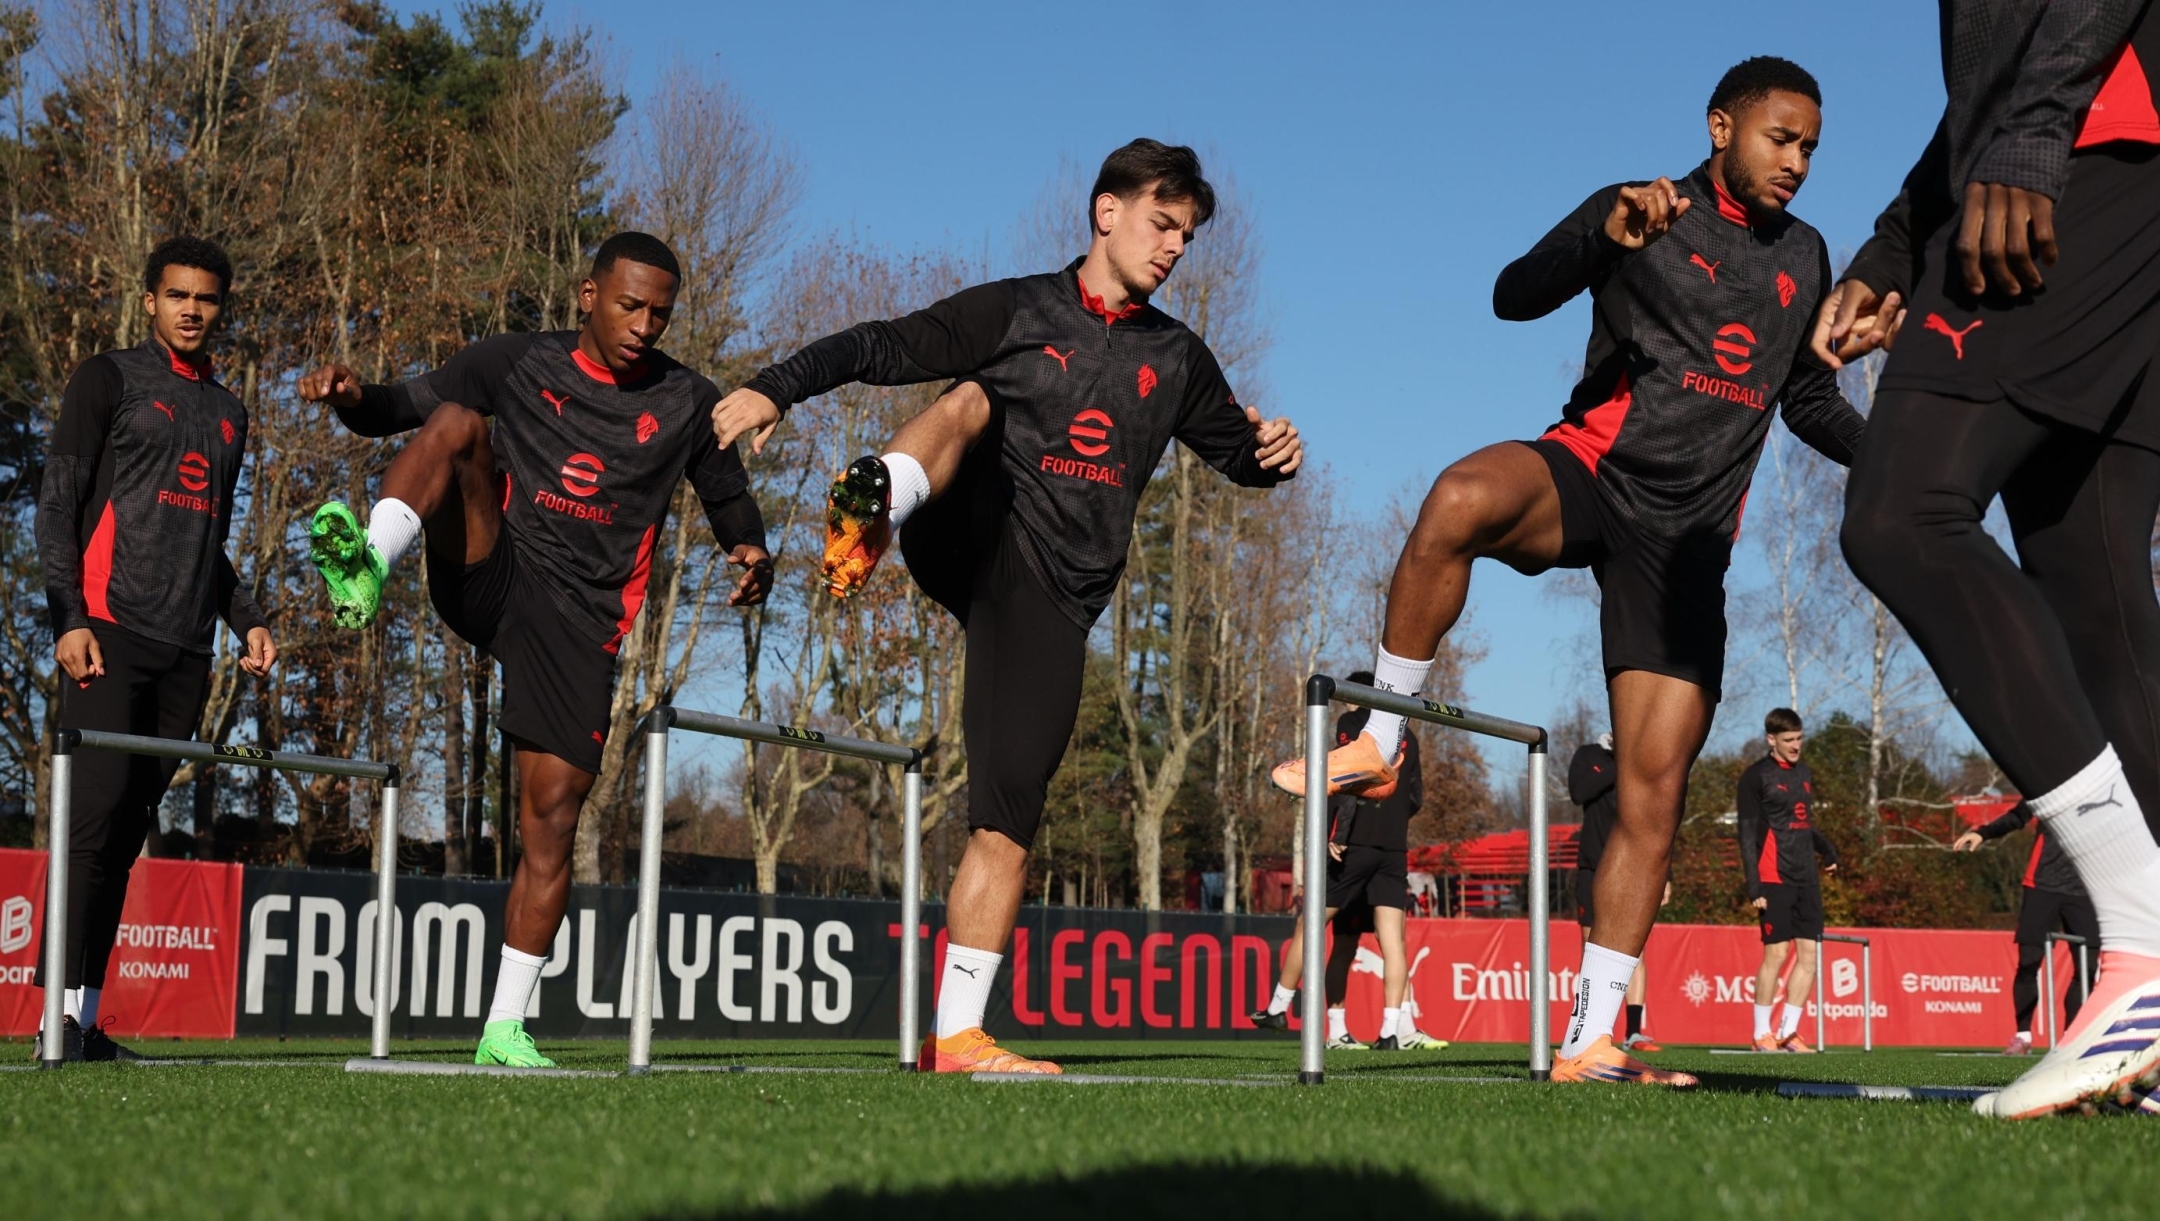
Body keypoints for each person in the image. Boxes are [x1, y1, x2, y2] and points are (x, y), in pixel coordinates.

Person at [1274, 57, 1864, 1088]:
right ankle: (1383, 734)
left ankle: (1592, 1037)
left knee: (1652, 795)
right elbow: (1513, 296)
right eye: (1781, 137)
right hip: (1592, 474)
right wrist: (1602, 237)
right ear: (1721, 125)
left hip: (1688, 545)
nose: (1798, 162)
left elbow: (1806, 402)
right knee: (1457, 499)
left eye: (1812, 145)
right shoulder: (1641, 207)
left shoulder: (1808, 257)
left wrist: (1902, 454)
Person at [708, 140, 1303, 1073]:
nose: (1175, 247)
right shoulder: (1018, 308)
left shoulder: (1177, 358)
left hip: (1052, 598)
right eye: (1161, 223)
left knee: (1008, 816)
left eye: (1186, 236)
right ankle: (879, 497)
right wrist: (772, 387)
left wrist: (1271, 453)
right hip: (967, 527)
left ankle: (956, 1036)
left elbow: (1235, 452)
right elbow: (882, 343)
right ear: (1106, 212)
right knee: (975, 396)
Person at [300, 232, 773, 1068]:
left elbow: (730, 498)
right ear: (588, 295)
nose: (644, 325)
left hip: (580, 624)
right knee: (454, 424)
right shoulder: (515, 361)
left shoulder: (686, 400)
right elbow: (399, 407)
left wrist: (750, 552)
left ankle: (503, 1029)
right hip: (496, 566)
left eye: (660, 312)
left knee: (550, 822)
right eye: (629, 305)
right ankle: (369, 563)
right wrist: (349, 396)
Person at [1826, 0, 2160, 1117]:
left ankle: (2147, 945)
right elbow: (1990, 66)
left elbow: (2021, 71)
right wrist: (1896, 237)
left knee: (1902, 511)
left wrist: (2028, 137)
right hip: (2106, 151)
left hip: (2089, 147)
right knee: (2098, 599)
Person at [32, 236, 279, 1062]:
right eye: (177, 295)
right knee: (91, 823)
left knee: (132, 829)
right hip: (105, 631)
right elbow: (58, 504)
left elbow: (210, 540)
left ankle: (88, 1016)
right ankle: (50, 1023)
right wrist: (67, 615)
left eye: (206, 299)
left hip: (186, 651)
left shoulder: (232, 412)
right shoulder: (107, 379)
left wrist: (245, 615)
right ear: (150, 300)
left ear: (221, 308)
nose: (191, 310)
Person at [1252, 678, 1448, 1051]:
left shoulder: (1355, 727)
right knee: (1390, 943)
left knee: (1310, 923)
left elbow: (1343, 780)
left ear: (1357, 698)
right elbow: (1415, 798)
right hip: (1393, 849)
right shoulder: (1412, 738)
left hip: (1353, 847)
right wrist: (1389, 820)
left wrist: (1337, 834)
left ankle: (1280, 1005)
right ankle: (1392, 1031)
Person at [1955, 803, 2101, 1054]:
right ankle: (2022, 1037)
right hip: (2041, 885)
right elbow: (2018, 816)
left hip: (2087, 889)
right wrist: (1983, 833)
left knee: (2086, 969)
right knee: (2029, 962)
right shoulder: (2049, 785)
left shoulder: (2111, 787)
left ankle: (2069, 1040)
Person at [1736, 708, 1839, 1053]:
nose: (1796, 745)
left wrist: (1827, 850)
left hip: (1805, 876)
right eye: (1789, 740)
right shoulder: (1756, 777)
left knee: (1809, 956)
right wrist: (1754, 886)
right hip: (1773, 876)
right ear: (1771, 740)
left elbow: (1803, 823)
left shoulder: (1805, 773)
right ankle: (1760, 1034)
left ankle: (1788, 1033)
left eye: (1799, 738)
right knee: (1776, 955)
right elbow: (1747, 834)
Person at [1570, 732, 1662, 1052]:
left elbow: (1655, 821)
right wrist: (1620, 766)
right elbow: (1578, 792)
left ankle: (1634, 1032)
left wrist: (1668, 875)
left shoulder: (1642, 761)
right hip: (1592, 870)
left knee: (1635, 951)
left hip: (1633, 873)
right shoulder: (1589, 755)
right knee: (1591, 949)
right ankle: (1587, 1029)